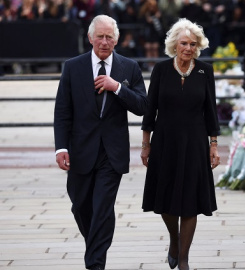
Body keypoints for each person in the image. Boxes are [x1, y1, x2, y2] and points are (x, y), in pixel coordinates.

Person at [54, 14, 148, 270]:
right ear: (90, 38)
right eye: (100, 36)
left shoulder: (129, 67)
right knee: (81, 207)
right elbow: (63, 111)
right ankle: (95, 246)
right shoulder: (72, 67)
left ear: (116, 40)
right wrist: (61, 147)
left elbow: (143, 106)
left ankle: (95, 263)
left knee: (103, 208)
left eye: (109, 37)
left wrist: (116, 87)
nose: (104, 42)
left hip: (112, 153)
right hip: (80, 151)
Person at [140, 18, 221, 270]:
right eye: (184, 43)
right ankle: (174, 240)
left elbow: (211, 110)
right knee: (165, 197)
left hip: (195, 143)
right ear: (174, 44)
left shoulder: (204, 71)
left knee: (191, 201)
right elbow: (150, 107)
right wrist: (145, 143)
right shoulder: (161, 70)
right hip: (165, 142)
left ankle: (183, 258)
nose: (188, 48)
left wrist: (214, 144)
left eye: (193, 44)